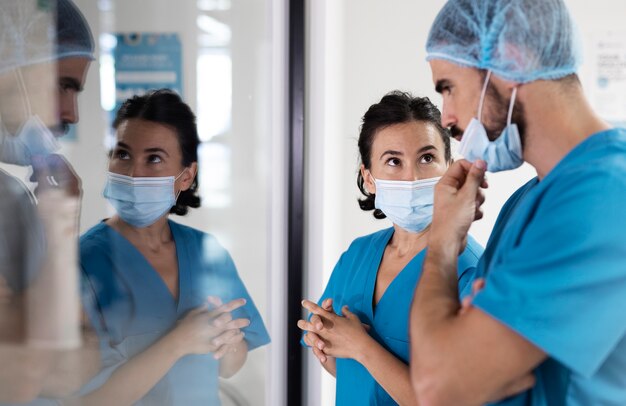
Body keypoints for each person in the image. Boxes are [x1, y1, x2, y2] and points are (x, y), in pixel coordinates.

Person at [410, 0, 626, 405]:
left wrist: (441, 244)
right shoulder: (529, 199)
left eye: (448, 88)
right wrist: (464, 352)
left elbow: (439, 384)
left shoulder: (608, 194)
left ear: (512, 57)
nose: (446, 118)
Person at [71, 89, 270, 405]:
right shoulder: (82, 263)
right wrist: (178, 342)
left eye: (154, 158)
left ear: (186, 176)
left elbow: (229, 368)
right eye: (122, 154)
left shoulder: (206, 251)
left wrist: (229, 342)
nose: (134, 172)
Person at [299, 91, 483, 405]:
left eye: (427, 158)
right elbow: (347, 370)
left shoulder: (469, 270)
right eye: (393, 162)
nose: (412, 177)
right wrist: (326, 342)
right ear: (369, 179)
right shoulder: (357, 255)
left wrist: (361, 347)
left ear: (449, 167)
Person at [0, 0, 99, 403]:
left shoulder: (16, 200)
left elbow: (68, 372)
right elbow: (25, 380)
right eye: (64, 84)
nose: (72, 115)